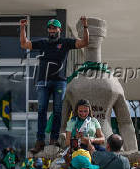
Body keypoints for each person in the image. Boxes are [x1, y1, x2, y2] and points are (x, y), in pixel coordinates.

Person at [20, 17, 89, 153]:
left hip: (59, 81)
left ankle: (53, 140)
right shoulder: (43, 43)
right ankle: (40, 142)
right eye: (50, 28)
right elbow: (24, 44)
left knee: (58, 111)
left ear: (59, 30)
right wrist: (22, 28)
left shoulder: (64, 42)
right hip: (43, 81)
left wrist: (85, 27)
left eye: (54, 28)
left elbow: (84, 43)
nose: (52, 30)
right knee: (41, 111)